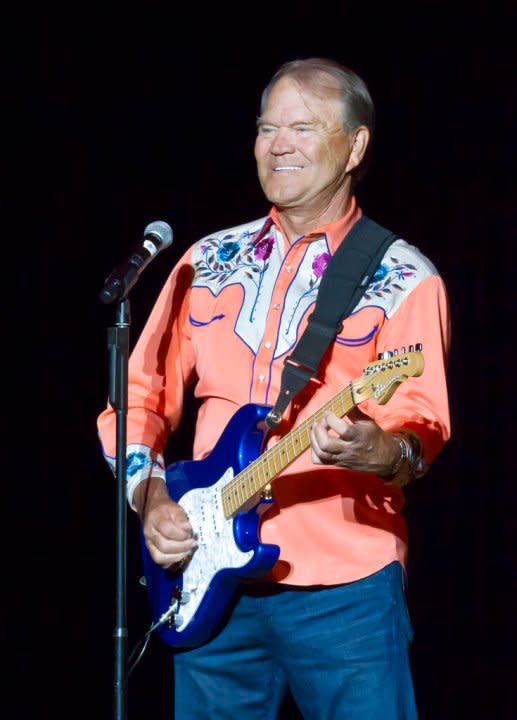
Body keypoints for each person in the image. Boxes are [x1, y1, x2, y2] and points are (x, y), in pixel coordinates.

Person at [97, 57, 450, 719]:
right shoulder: (206, 261)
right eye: (265, 128)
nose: (277, 144)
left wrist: (372, 450)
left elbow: (420, 434)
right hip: (206, 583)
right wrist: (149, 499)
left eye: (302, 127)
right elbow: (136, 399)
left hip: (344, 592)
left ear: (356, 145)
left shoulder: (406, 278)